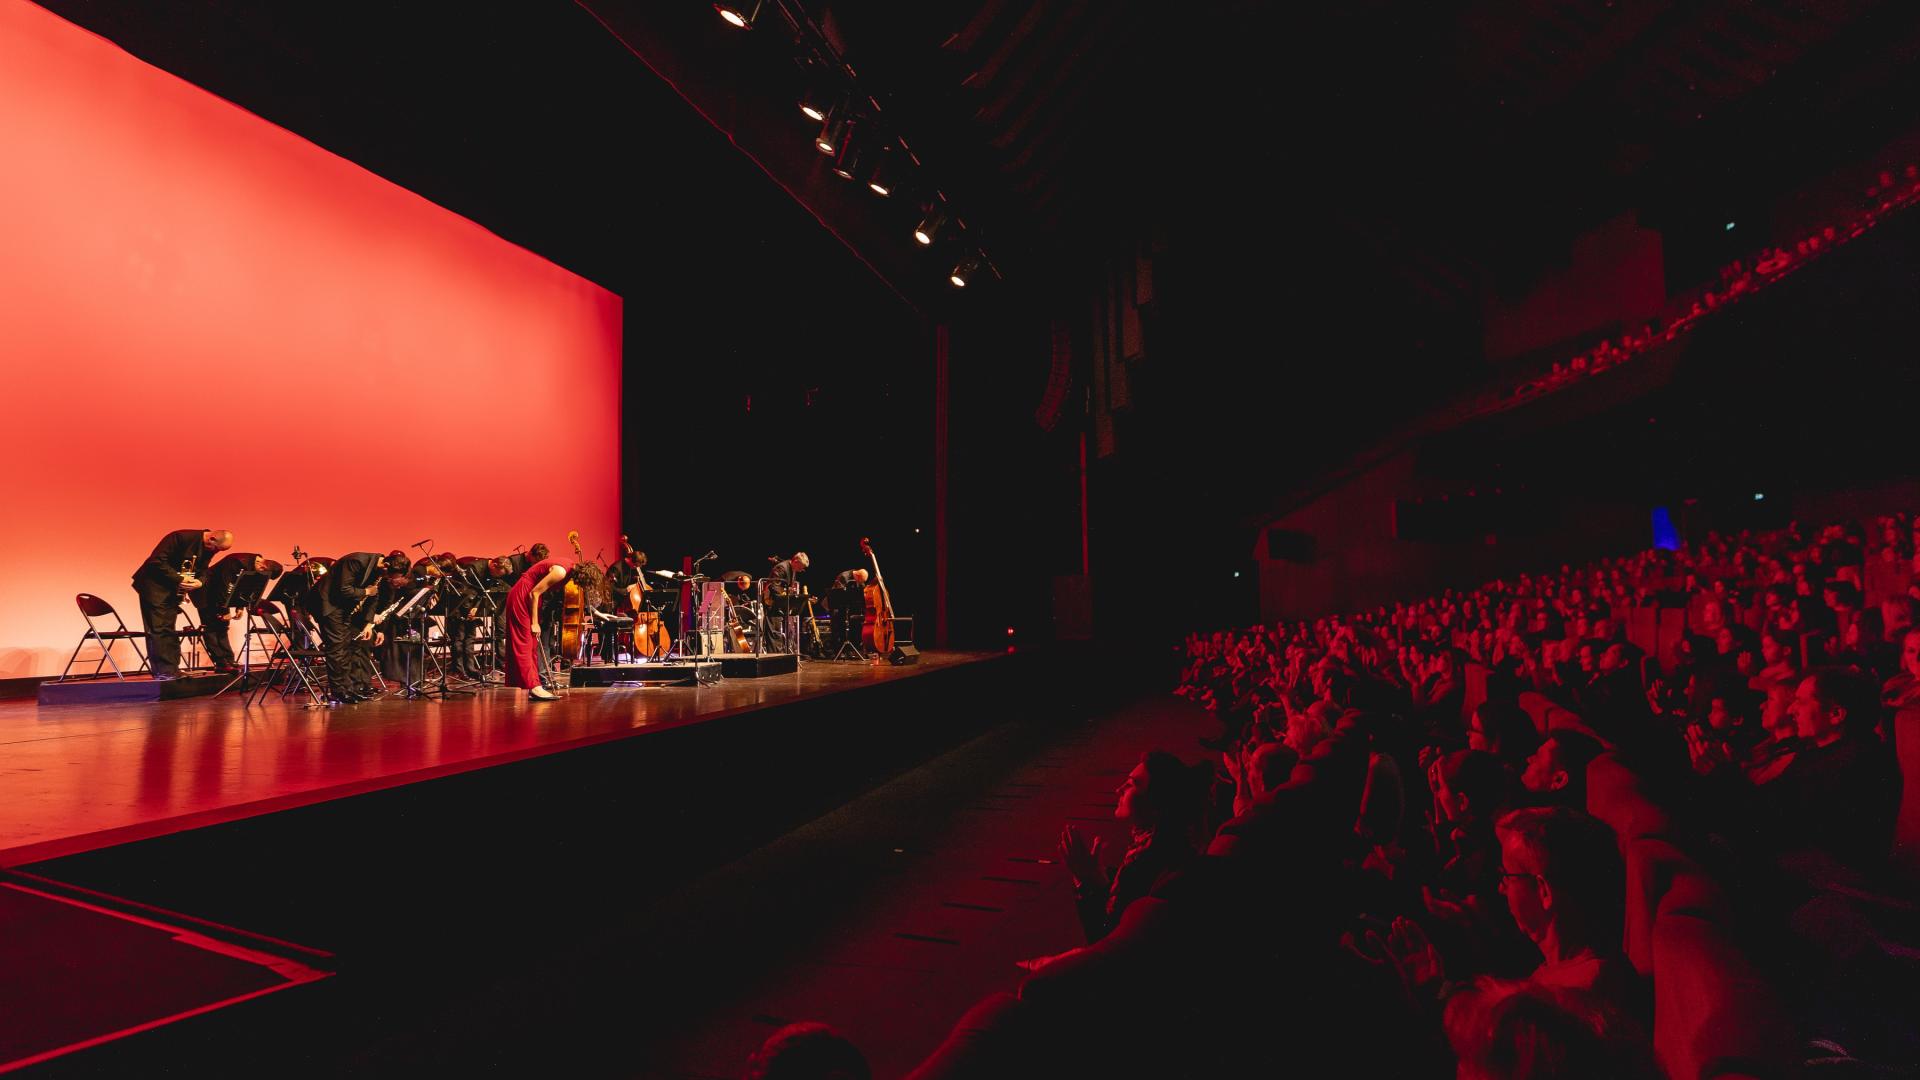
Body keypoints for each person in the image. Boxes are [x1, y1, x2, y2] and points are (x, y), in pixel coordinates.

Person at [308, 549, 410, 703]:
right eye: (389, 575)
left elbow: (374, 596)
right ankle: (338, 691)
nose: (387, 578)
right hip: (328, 605)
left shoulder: (378, 569)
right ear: (386, 565)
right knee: (337, 648)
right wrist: (366, 591)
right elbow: (345, 590)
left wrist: (368, 623)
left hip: (343, 608)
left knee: (348, 647)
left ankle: (349, 689)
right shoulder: (356, 561)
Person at [131, 528, 232, 679]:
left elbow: (203, 569)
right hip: (153, 586)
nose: (217, 552)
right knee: (159, 628)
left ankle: (172, 669)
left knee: (169, 628)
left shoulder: (209, 547)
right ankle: (163, 671)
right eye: (217, 548)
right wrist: (180, 579)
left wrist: (200, 581)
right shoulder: (180, 537)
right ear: (211, 539)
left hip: (171, 589)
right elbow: (156, 561)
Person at [505, 556, 601, 700]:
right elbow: (534, 593)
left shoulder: (568, 566)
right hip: (523, 596)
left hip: (528, 597)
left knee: (532, 645)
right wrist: (535, 622)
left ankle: (534, 685)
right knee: (524, 643)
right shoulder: (561, 572)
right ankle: (534, 687)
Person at [190, 553, 284, 673]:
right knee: (211, 628)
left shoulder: (254, 565)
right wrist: (224, 609)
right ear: (262, 568)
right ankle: (220, 663)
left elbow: (242, 587)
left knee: (223, 627)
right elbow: (223, 586)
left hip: (220, 596)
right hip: (206, 593)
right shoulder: (235, 562)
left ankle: (229, 660)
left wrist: (240, 606)